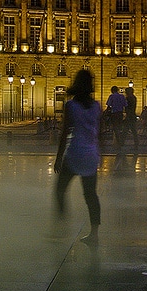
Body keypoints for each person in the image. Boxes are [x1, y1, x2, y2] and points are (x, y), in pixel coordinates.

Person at [54, 69, 102, 246]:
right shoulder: (97, 106)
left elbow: (65, 132)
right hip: (91, 154)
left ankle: (61, 225)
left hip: (75, 154)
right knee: (91, 195)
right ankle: (94, 234)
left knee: (60, 190)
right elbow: (100, 133)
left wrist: (59, 157)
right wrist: (99, 154)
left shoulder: (71, 106)